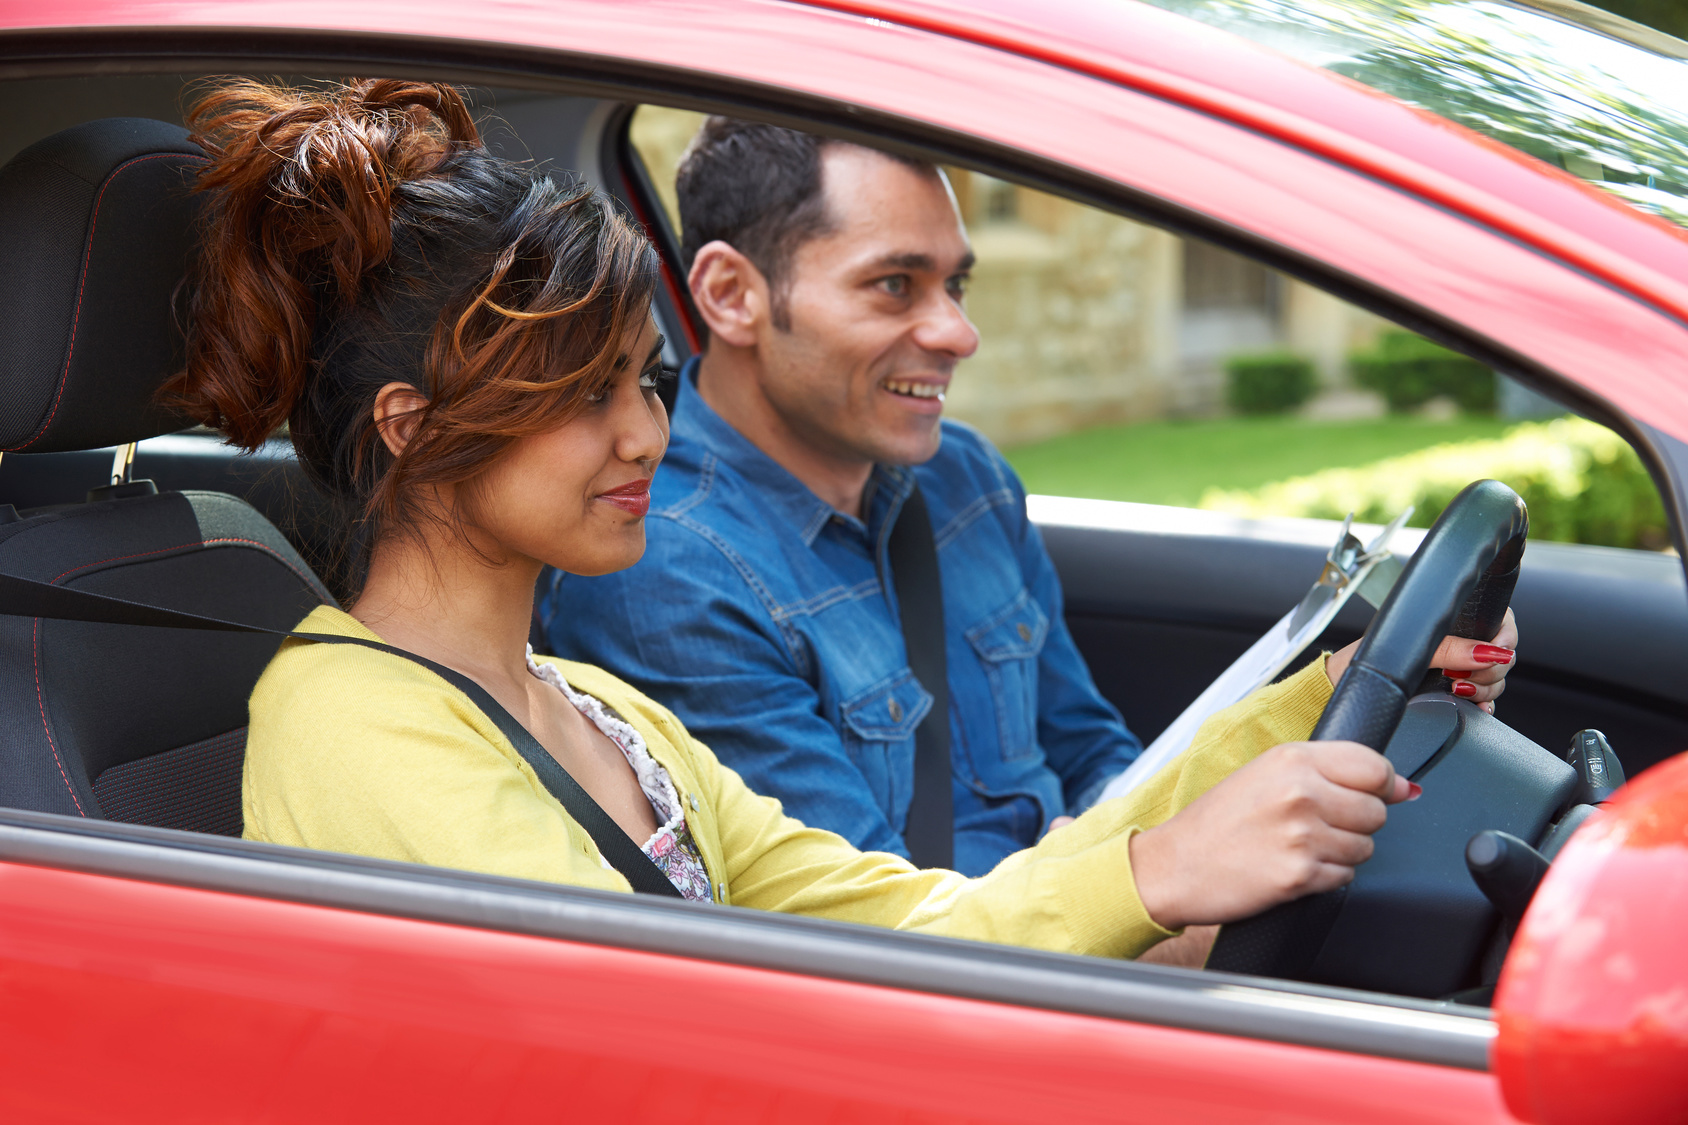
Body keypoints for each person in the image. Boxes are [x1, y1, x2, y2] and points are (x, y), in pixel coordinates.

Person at [180, 79, 1509, 966]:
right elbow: (638, 1041)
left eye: (642, 382)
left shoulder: (601, 712)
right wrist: (1159, 876)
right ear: (412, 426)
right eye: (580, 397)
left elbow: (918, 926)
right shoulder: (351, 721)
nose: (646, 434)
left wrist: (1312, 705)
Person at [538, 119, 1516, 876]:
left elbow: (1095, 757)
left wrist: (1335, 697)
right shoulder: (663, 567)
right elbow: (870, 931)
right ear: (729, 295)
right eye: (894, 286)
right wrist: (1169, 886)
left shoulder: (962, 477)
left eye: (955, 286)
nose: (957, 334)